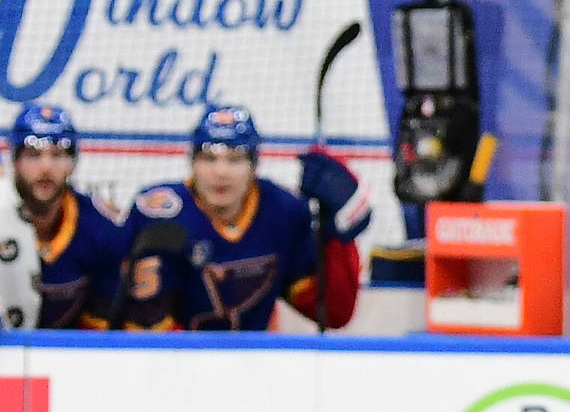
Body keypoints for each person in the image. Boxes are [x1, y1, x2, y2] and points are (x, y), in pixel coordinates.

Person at [119, 105, 369, 331]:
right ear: (192, 163)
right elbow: (146, 325)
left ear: (255, 165)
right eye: (209, 158)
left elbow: (334, 314)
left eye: (235, 159)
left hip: (253, 368)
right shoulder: (160, 213)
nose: (221, 172)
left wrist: (338, 237)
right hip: (174, 366)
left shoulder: (284, 212)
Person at [0, 104, 129, 330]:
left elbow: (99, 330)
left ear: (74, 163)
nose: (46, 167)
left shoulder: (102, 229)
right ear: (15, 161)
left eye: (58, 155)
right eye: (33, 154)